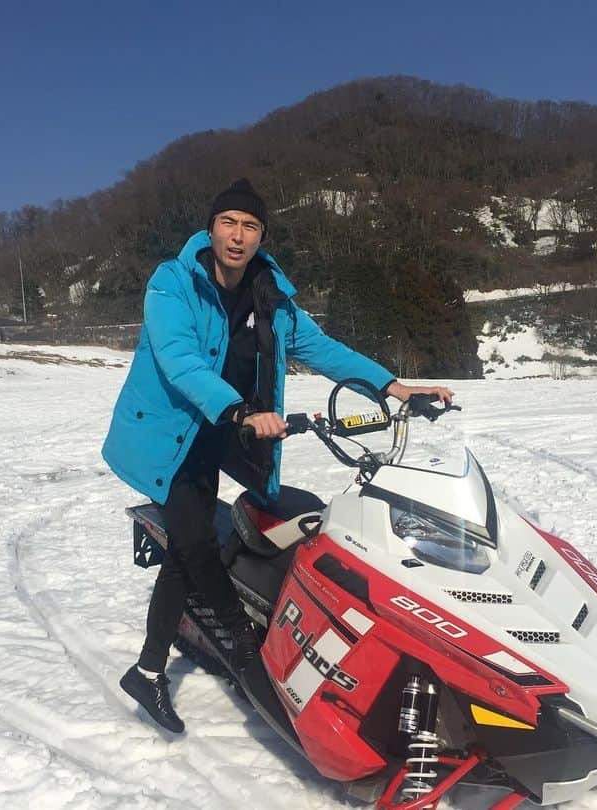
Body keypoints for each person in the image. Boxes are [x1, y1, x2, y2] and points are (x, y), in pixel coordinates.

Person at [101, 178, 453, 734]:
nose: (237, 236)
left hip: (223, 431)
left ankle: (146, 670)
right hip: (169, 434)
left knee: (192, 549)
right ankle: (242, 641)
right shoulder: (172, 283)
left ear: (261, 235)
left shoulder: (271, 296)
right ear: (211, 228)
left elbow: (323, 349)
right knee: (194, 544)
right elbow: (179, 359)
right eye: (228, 223)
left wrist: (393, 388)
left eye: (250, 227)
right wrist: (240, 410)